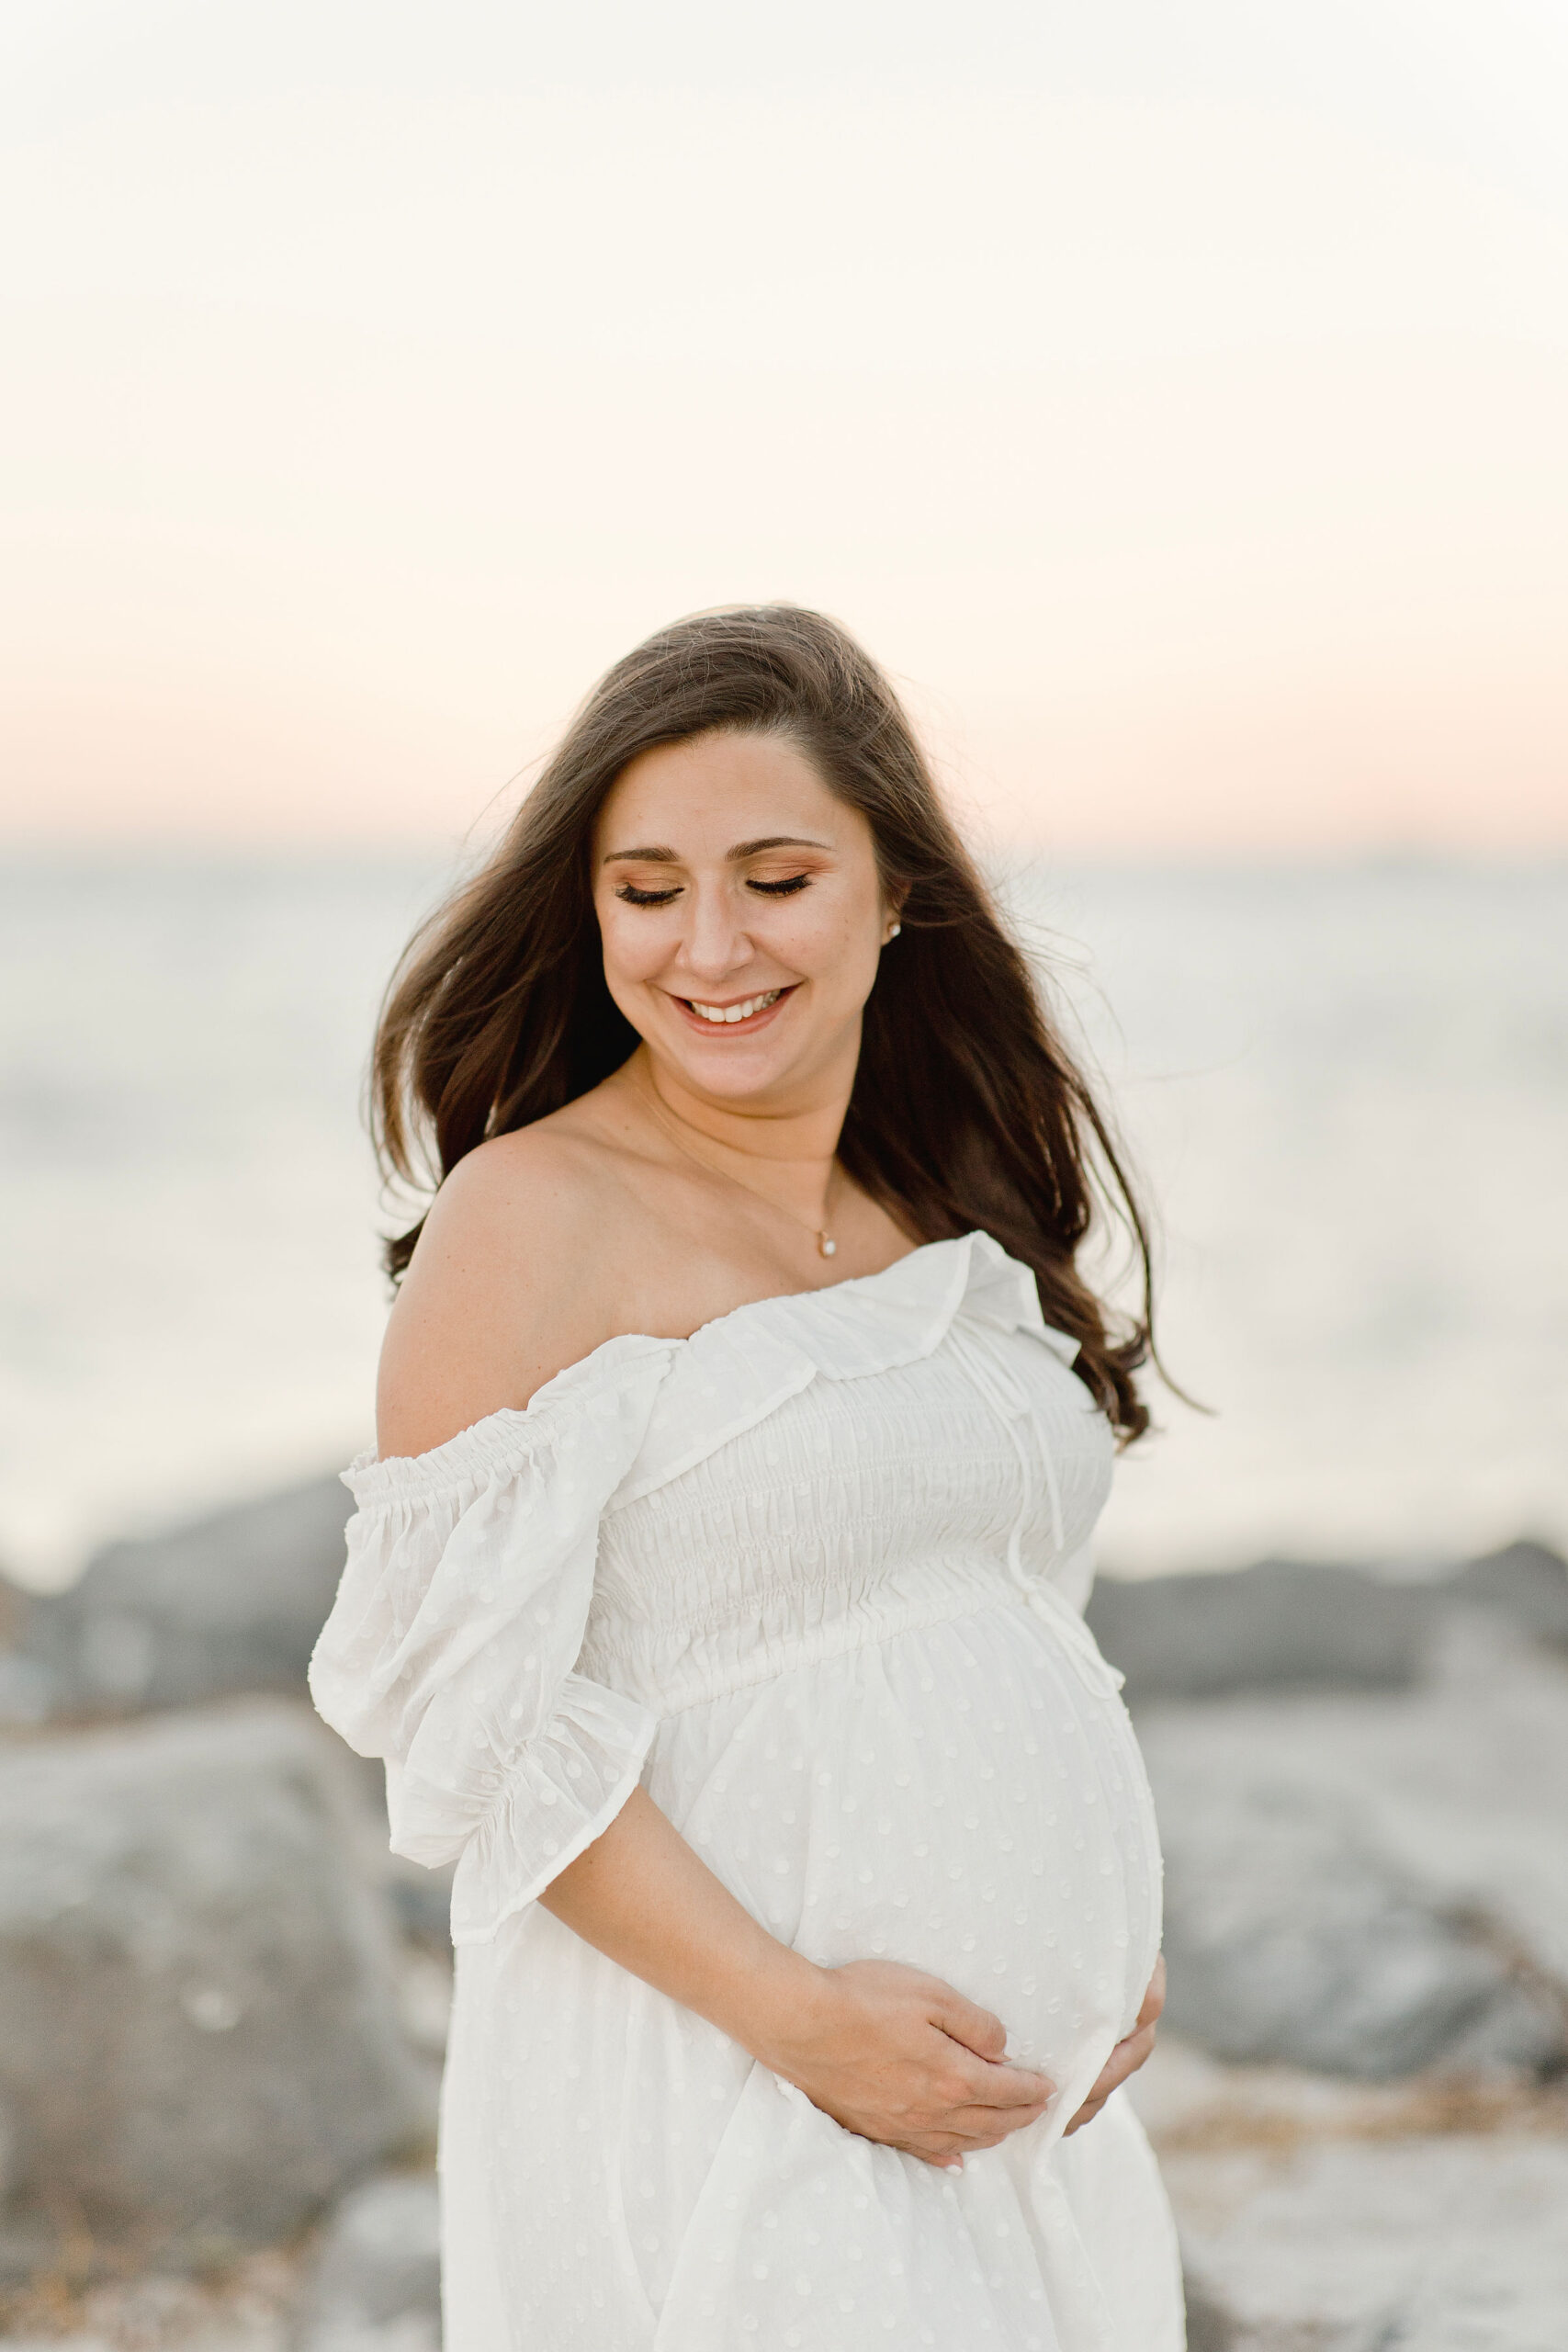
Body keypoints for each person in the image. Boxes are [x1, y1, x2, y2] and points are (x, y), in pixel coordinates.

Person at [310, 605, 1184, 2350]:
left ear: (896, 892)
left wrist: (1099, 1919)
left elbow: (998, 1607)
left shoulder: (940, 1194)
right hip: (718, 2077)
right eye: (645, 890)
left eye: (775, 877)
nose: (708, 944)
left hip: (1009, 2111)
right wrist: (793, 2018)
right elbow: (468, 1730)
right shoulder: (533, 1216)